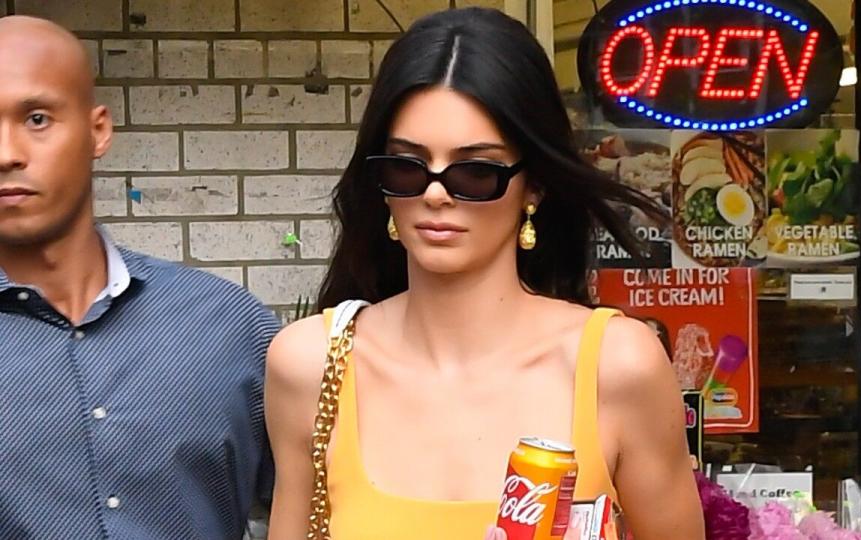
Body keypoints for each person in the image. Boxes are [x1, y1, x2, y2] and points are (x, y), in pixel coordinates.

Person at [265, 7, 704, 539]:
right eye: (406, 166)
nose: (435, 194)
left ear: (534, 185)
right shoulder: (310, 364)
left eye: (476, 172)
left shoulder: (618, 366)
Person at [0, 16, 279, 539]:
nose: (6, 154)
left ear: (97, 130)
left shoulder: (229, 328)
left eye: (36, 119)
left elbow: (320, 511)